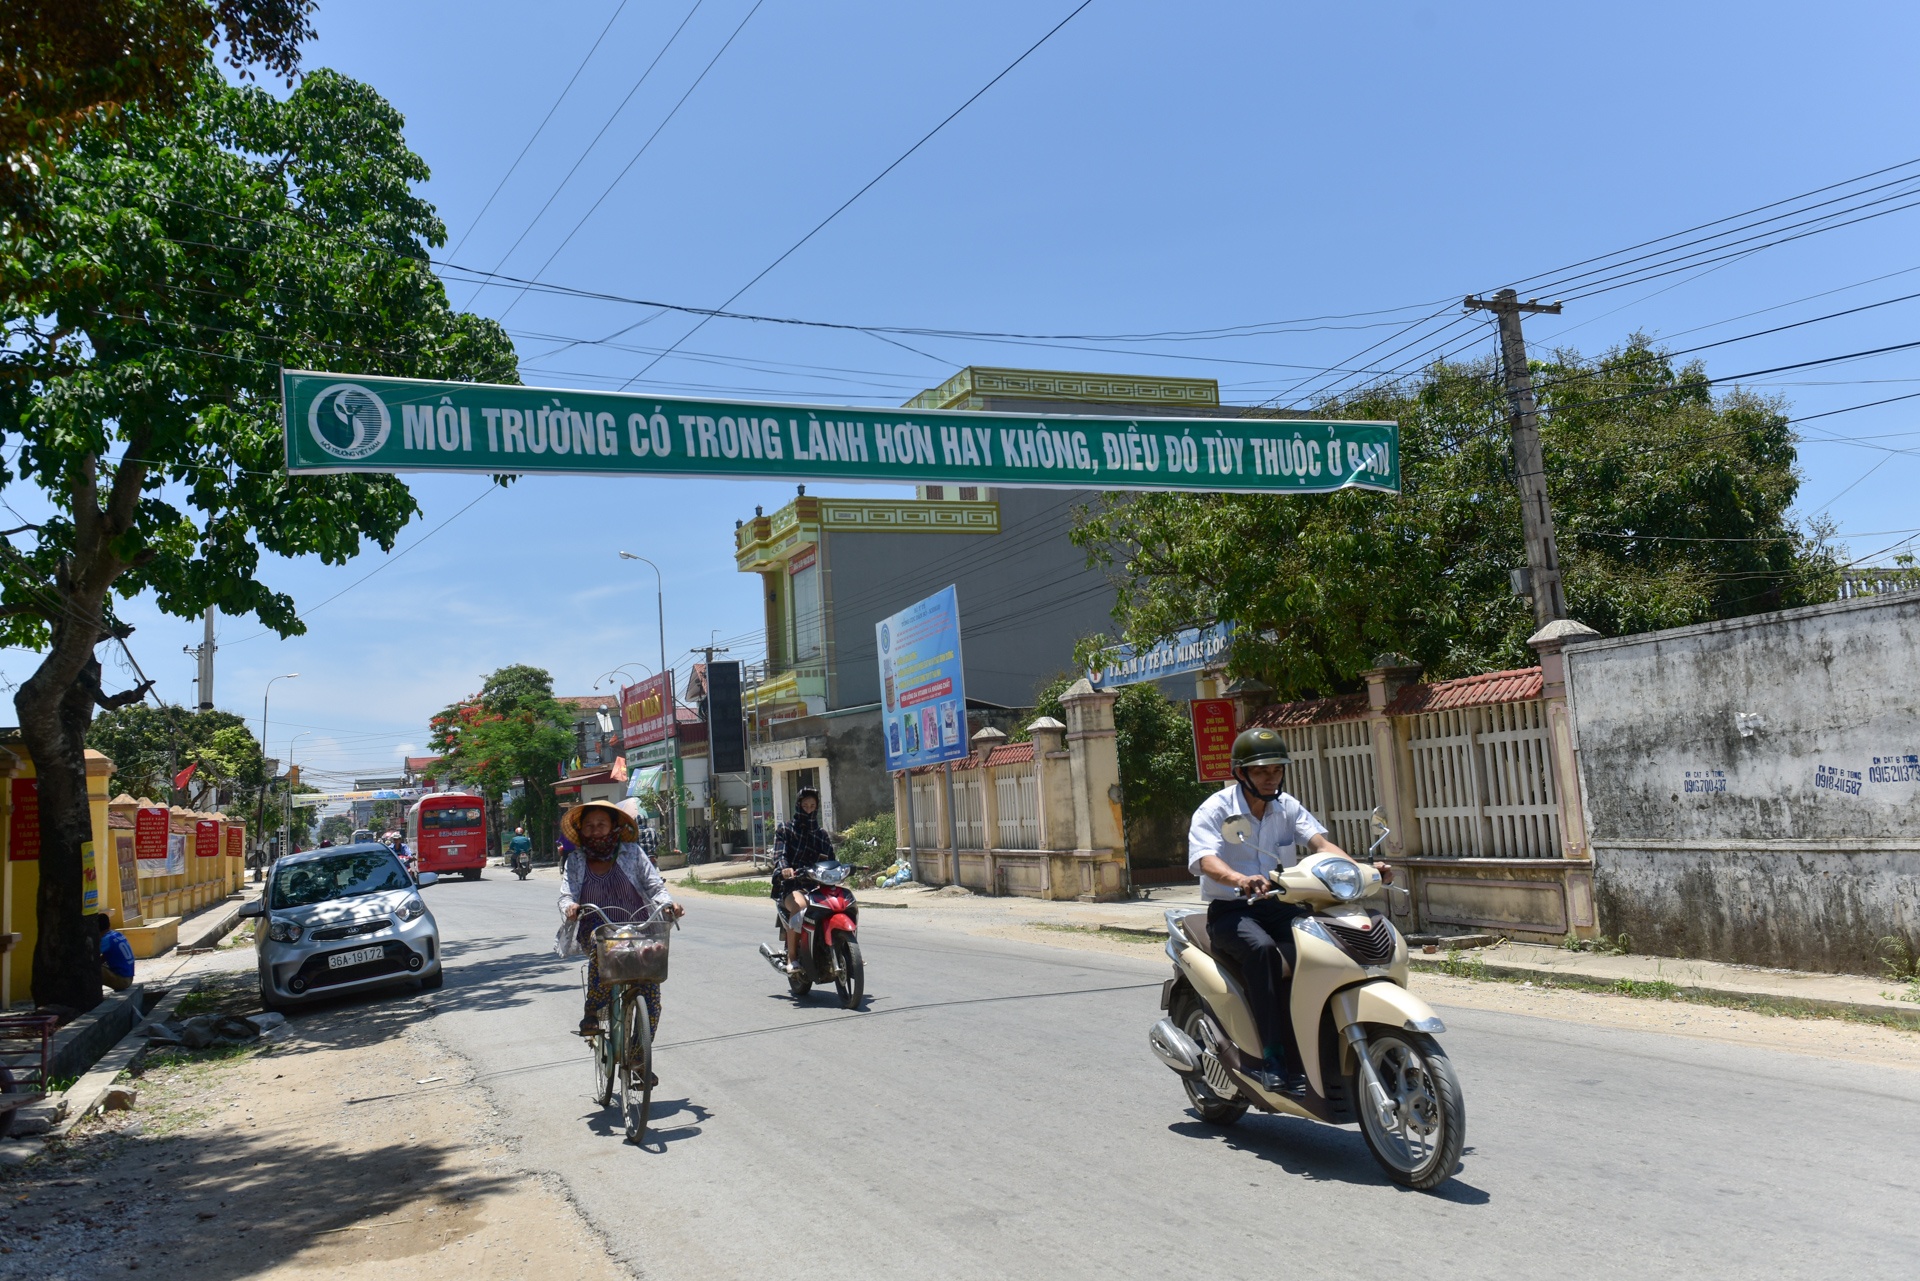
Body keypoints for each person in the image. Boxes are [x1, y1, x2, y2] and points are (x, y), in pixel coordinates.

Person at [1186, 727, 1393, 1097]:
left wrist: (1364, 870)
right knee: (1263, 951)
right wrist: (1239, 878)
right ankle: (1272, 1057)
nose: (1271, 778)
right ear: (1241, 773)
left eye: (1277, 770)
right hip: (1234, 911)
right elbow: (1205, 858)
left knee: (1330, 947)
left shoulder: (1286, 807)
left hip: (1279, 906)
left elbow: (1320, 843)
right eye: (1263, 771)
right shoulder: (1217, 809)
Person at [555, 800, 684, 1054]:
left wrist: (669, 905)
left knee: (651, 994)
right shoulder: (576, 860)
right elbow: (566, 895)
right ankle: (592, 1011)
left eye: (601, 824)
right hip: (597, 926)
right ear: (581, 831)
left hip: (639, 927)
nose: (595, 830)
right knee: (600, 944)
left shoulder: (633, 853)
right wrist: (569, 907)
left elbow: (655, 887)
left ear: (614, 826)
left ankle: (638, 1055)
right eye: (589, 826)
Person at [769, 787, 835, 970]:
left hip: (817, 885)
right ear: (798, 806)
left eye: (812, 805)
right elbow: (779, 855)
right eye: (805, 805)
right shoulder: (786, 830)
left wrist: (843, 868)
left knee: (843, 902)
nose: (809, 809)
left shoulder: (821, 834)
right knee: (800, 907)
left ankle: (847, 949)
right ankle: (792, 958)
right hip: (792, 885)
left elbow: (831, 859)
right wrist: (784, 869)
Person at [94, 913, 135, 992]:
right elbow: (106, 956)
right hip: (129, 977)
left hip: (122, 980)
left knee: (92, 968)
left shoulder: (105, 940)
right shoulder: (117, 934)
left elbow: (93, 957)